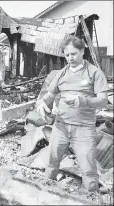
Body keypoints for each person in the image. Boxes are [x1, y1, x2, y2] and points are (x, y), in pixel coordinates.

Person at [37, 36, 109, 192]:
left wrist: (83, 101)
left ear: (82, 51)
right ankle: (44, 194)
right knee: (52, 163)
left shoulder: (94, 72)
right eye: (67, 55)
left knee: (89, 171)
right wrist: (42, 104)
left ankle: (91, 197)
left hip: (84, 129)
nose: (70, 58)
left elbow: (103, 100)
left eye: (74, 54)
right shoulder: (62, 73)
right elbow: (50, 94)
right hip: (60, 127)